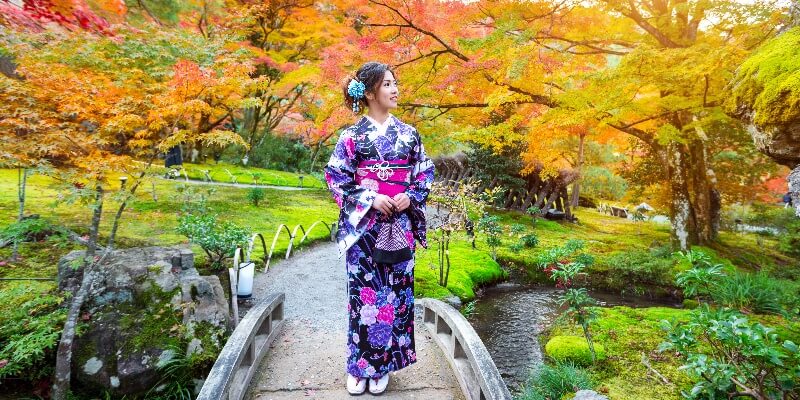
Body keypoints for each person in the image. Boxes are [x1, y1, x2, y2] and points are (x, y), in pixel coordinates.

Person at [324, 62, 434, 395]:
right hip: (364, 231)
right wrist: (370, 198)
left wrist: (408, 196)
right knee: (363, 298)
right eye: (388, 84)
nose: (395, 89)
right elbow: (336, 177)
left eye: (395, 83)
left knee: (396, 298)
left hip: (399, 227)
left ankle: (383, 365)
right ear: (370, 92)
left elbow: (424, 174)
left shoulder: (410, 134)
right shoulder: (351, 136)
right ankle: (359, 368)